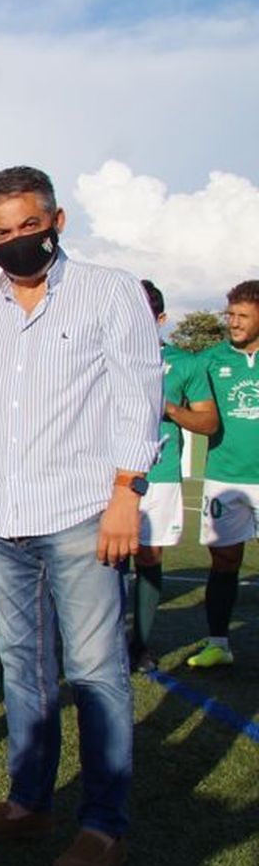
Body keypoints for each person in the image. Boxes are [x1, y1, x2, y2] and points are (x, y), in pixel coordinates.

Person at [0, 165, 159, 866]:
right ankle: (27, 803)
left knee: (96, 673)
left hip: (82, 515)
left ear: (57, 222)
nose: (17, 240)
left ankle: (102, 825)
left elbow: (138, 394)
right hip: (1, 520)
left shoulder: (110, 291)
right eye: (2, 232)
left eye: (30, 226)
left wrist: (127, 492)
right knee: (23, 670)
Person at [133, 281, 215, 670]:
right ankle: (101, 642)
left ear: (161, 318)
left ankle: (140, 645)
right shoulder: (100, 354)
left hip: (160, 475)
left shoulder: (185, 363)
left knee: (149, 556)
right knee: (102, 557)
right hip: (104, 472)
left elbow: (208, 422)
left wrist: (169, 409)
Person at [191, 279, 259, 669]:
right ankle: (218, 643)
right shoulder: (211, 360)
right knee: (224, 561)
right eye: (230, 314)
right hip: (224, 477)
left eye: (242, 316)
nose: (233, 322)